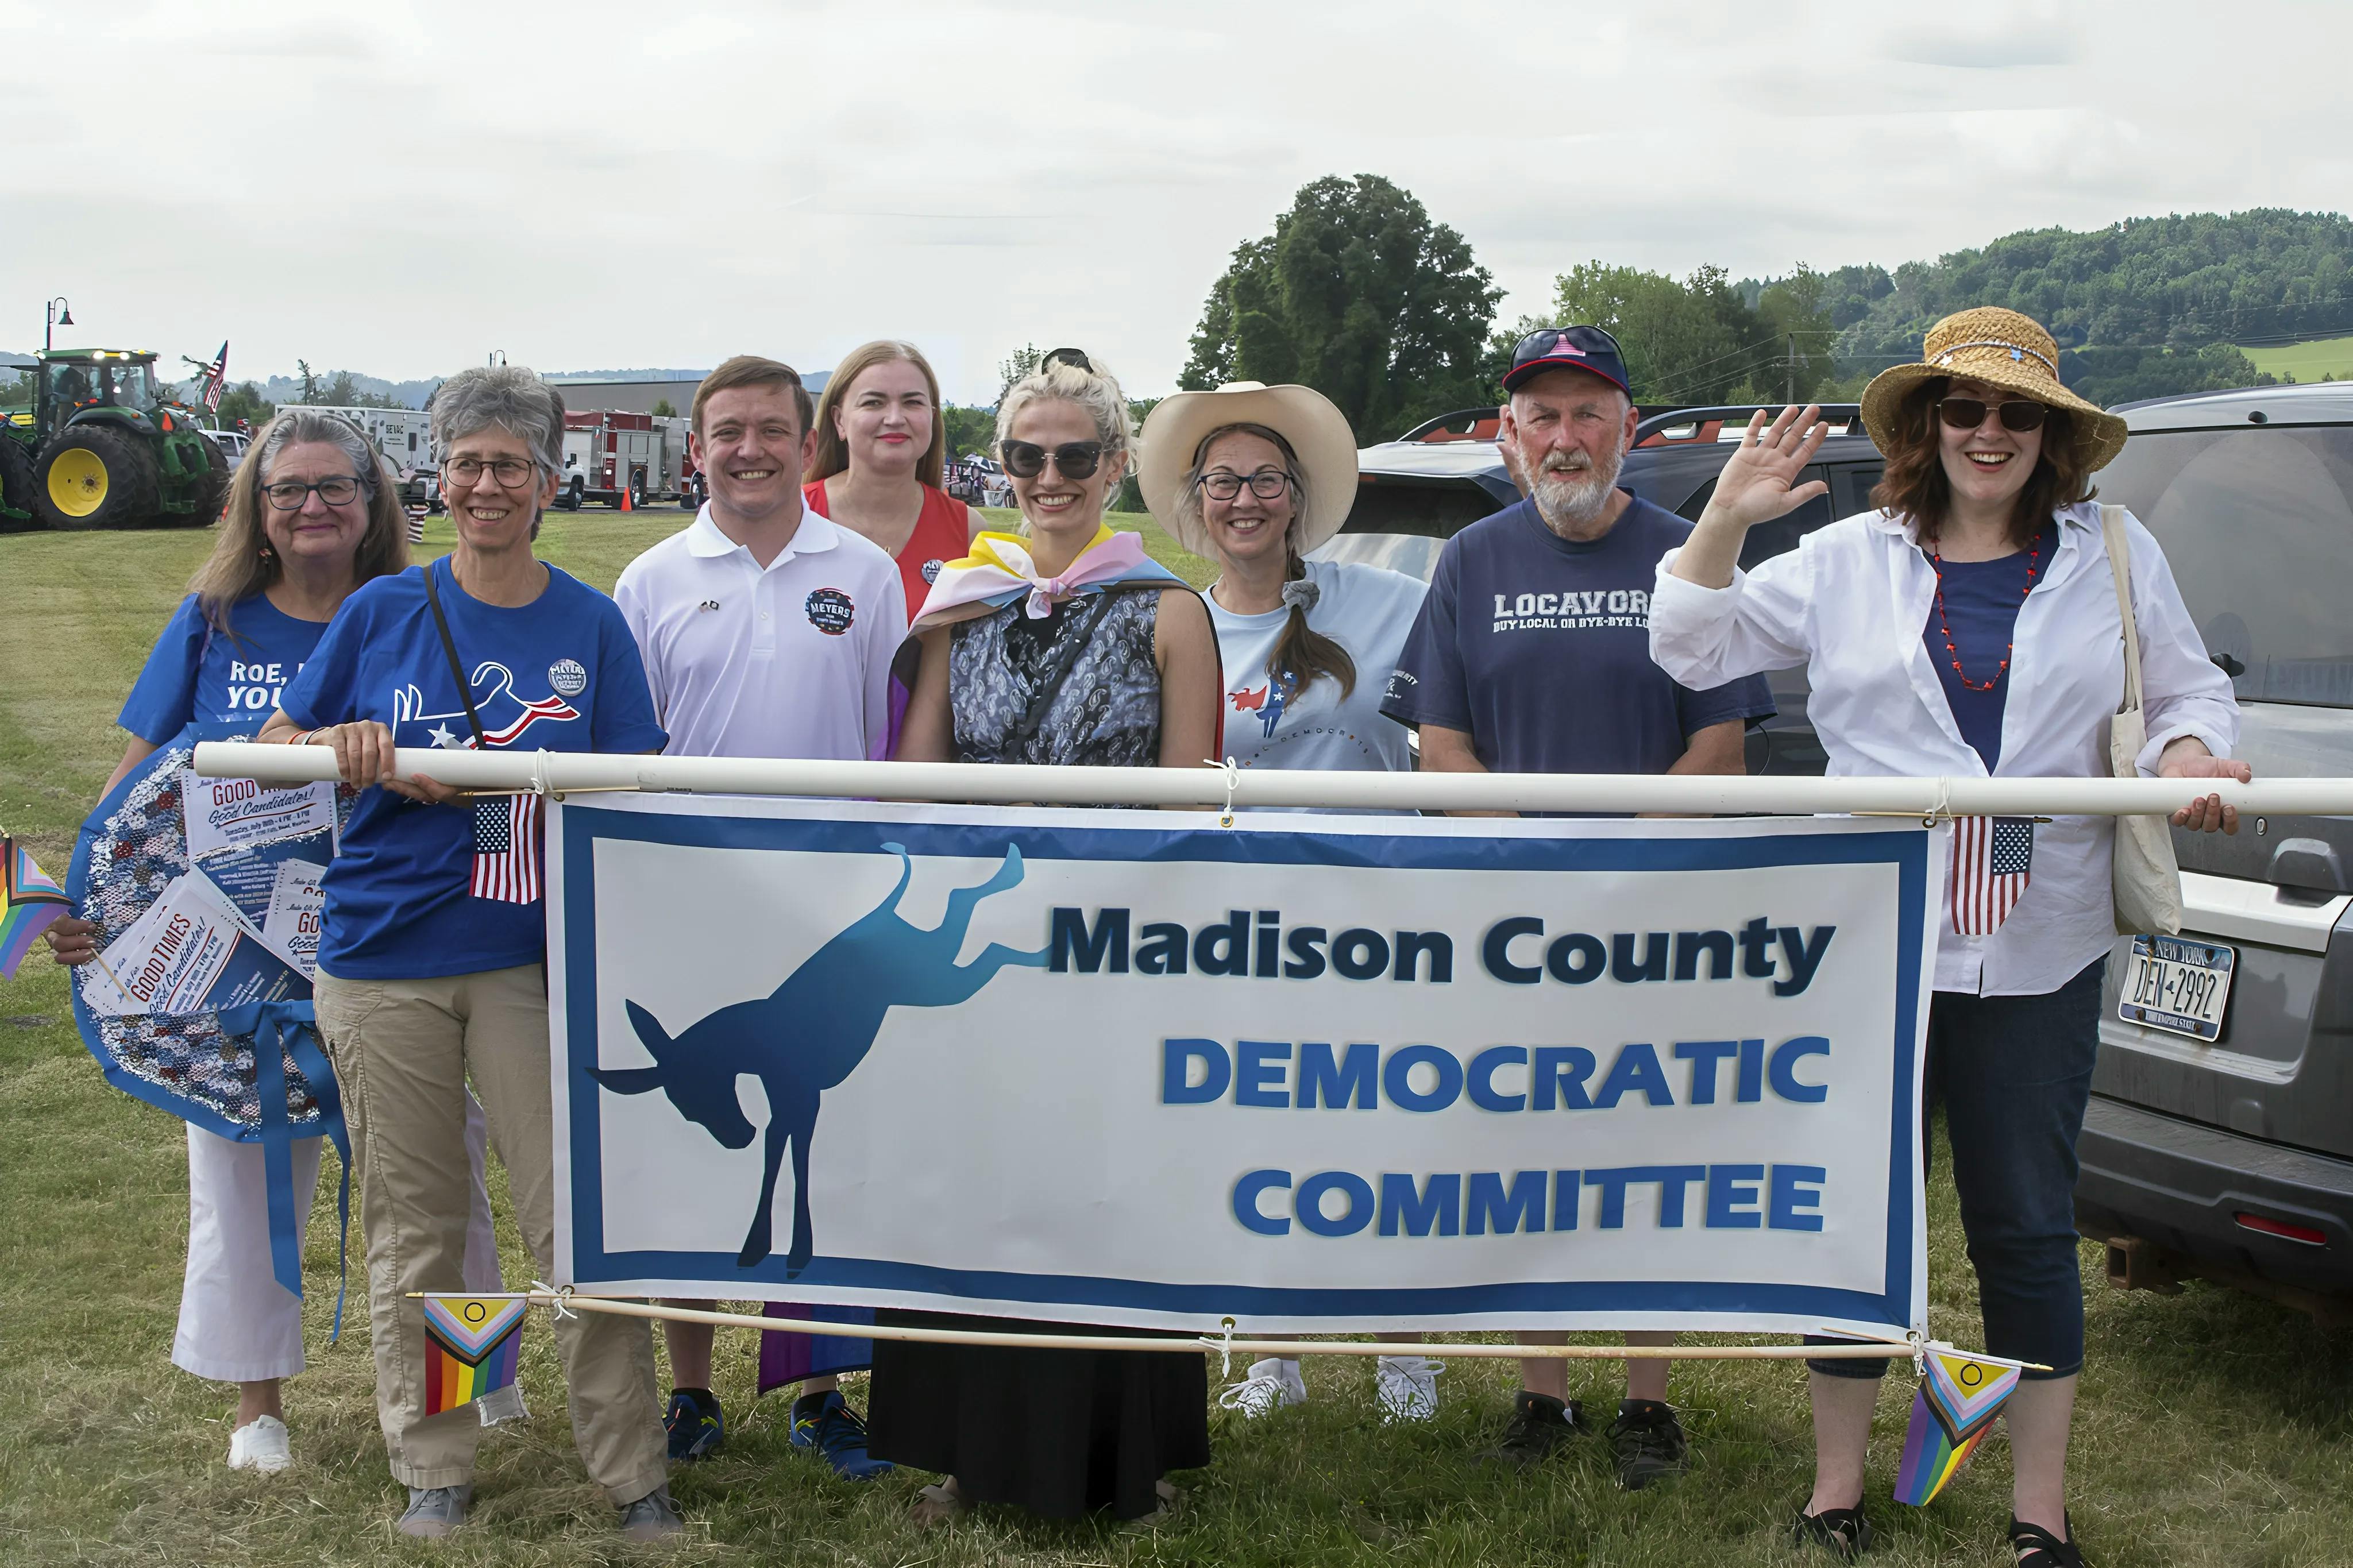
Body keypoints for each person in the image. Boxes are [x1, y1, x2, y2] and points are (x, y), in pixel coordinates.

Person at [1651, 307, 2245, 1567]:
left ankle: (2037, 1514)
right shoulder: (1845, 556)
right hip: (1871, 932)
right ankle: (1835, 1490)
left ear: (2052, 436)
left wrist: (2190, 747)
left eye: (2013, 413)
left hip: (2041, 940)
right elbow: (1687, 642)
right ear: (1926, 426)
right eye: (1962, 410)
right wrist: (1726, 515)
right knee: (1857, 1214)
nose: (1986, 433)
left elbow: (2188, 689)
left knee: (2024, 1220)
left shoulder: (2117, 554)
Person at [44, 408, 518, 1476]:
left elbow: (489, 777)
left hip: (412, 932)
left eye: (333, 486)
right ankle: (258, 1407)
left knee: (446, 1175)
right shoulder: (213, 621)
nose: (311, 507)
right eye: (286, 489)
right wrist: (88, 910)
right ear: (256, 508)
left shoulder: (431, 612)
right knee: (243, 1172)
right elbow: (136, 786)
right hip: (239, 959)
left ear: (373, 499)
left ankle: (479, 1383)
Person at [257, 366, 681, 1542]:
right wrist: (349, 747)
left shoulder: (589, 623)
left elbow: (631, 777)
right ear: (436, 481)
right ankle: (438, 1455)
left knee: (572, 1221)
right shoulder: (383, 611)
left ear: (547, 483)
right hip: (381, 955)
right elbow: (281, 738)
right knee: (425, 1227)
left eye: (508, 465)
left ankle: (629, 1466)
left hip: (528, 957)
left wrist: (497, 779)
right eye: (466, 464)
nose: (486, 485)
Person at [1380, 325, 1776, 1489]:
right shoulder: (1470, 564)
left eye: (1585, 414)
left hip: (1653, 920)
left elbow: (1719, 751)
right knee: (1527, 1146)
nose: (1563, 438)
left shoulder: (1686, 555)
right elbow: (1438, 749)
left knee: (1646, 1151)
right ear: (1509, 438)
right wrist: (1535, 866)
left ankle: (1645, 1401)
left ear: (1623, 429)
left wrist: (1612, 871)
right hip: (1512, 921)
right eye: (1539, 417)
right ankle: (1540, 1390)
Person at [875, 347, 1221, 1525]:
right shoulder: (957, 602)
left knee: (1107, 1193)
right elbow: (915, 776)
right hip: (977, 954)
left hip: (1114, 954)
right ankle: (970, 1460)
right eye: (1028, 456)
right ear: (1002, 464)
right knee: (971, 1187)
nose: (1051, 476)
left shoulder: (1168, 610)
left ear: (1114, 464)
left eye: (1077, 455)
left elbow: (1191, 806)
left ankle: (1123, 1467)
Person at [613, 354, 904, 1476]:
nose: (748, 449)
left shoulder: (867, 574)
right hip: (688, 899)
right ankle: (690, 1389)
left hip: (819, 908)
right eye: (726, 430)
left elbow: (896, 737)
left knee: (818, 1145)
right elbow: (626, 756)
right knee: (692, 1153)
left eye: (771, 429)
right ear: (697, 449)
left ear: (806, 443)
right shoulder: (649, 579)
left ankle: (818, 1390)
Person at [1135, 379, 1441, 1422]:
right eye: (1223, 481)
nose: (1245, 499)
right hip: (1243, 927)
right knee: (1257, 1133)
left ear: (1299, 496)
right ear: (1195, 501)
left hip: (1380, 914)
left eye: (1266, 479)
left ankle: (1404, 1349)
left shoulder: (1389, 602)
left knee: (1387, 1128)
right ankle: (1270, 1350)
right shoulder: (1174, 624)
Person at [803, 339, 988, 624]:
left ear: (932, 417)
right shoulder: (793, 516)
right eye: (874, 402)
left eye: (912, 402)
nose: (895, 418)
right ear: (840, 421)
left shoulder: (969, 532)